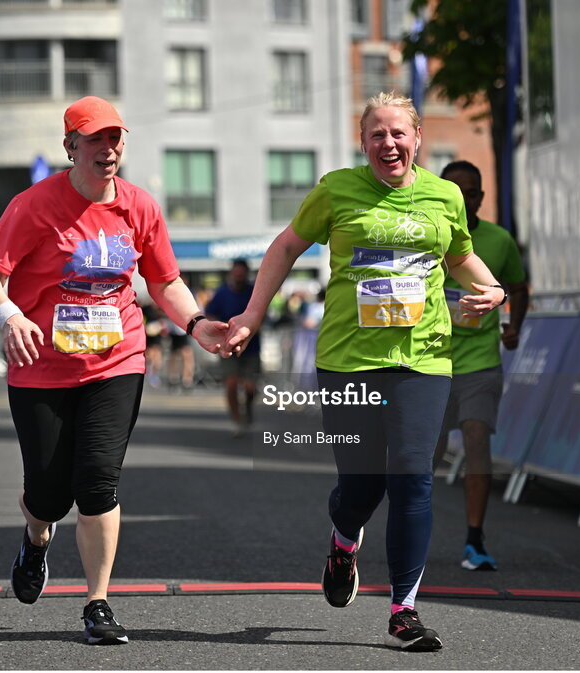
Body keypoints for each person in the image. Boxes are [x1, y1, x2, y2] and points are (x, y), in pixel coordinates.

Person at [223, 92, 506, 651]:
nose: (389, 143)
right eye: (377, 134)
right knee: (361, 486)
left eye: (398, 133)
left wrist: (491, 288)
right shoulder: (336, 190)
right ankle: (344, 538)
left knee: (412, 477)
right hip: (349, 361)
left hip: (424, 358)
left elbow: (459, 257)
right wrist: (252, 316)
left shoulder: (444, 196)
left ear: (417, 139)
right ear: (363, 142)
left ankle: (404, 608)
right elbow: (285, 247)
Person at [0, 95, 228, 645]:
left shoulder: (139, 207)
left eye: (115, 138)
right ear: (71, 147)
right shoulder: (32, 206)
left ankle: (98, 603)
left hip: (117, 360)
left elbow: (163, 281)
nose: (108, 149)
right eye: (95, 139)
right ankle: (36, 539)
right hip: (40, 366)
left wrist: (198, 323)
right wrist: (11, 316)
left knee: (96, 481)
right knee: (47, 494)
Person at [432, 160, 529, 571]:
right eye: (455, 190)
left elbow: (519, 288)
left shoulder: (499, 240)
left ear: (481, 198)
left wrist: (513, 326)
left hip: (480, 359)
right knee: (424, 454)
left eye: (472, 192)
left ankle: (475, 538)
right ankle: (411, 530)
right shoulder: (426, 235)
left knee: (476, 442)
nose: (465, 198)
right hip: (430, 358)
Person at [206, 259, 261, 435]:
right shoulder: (222, 293)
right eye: (235, 272)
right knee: (231, 384)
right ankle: (238, 420)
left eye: (241, 273)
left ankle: (248, 409)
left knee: (250, 387)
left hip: (251, 346)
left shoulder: (254, 292)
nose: (238, 276)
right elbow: (210, 312)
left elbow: (262, 312)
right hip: (228, 346)